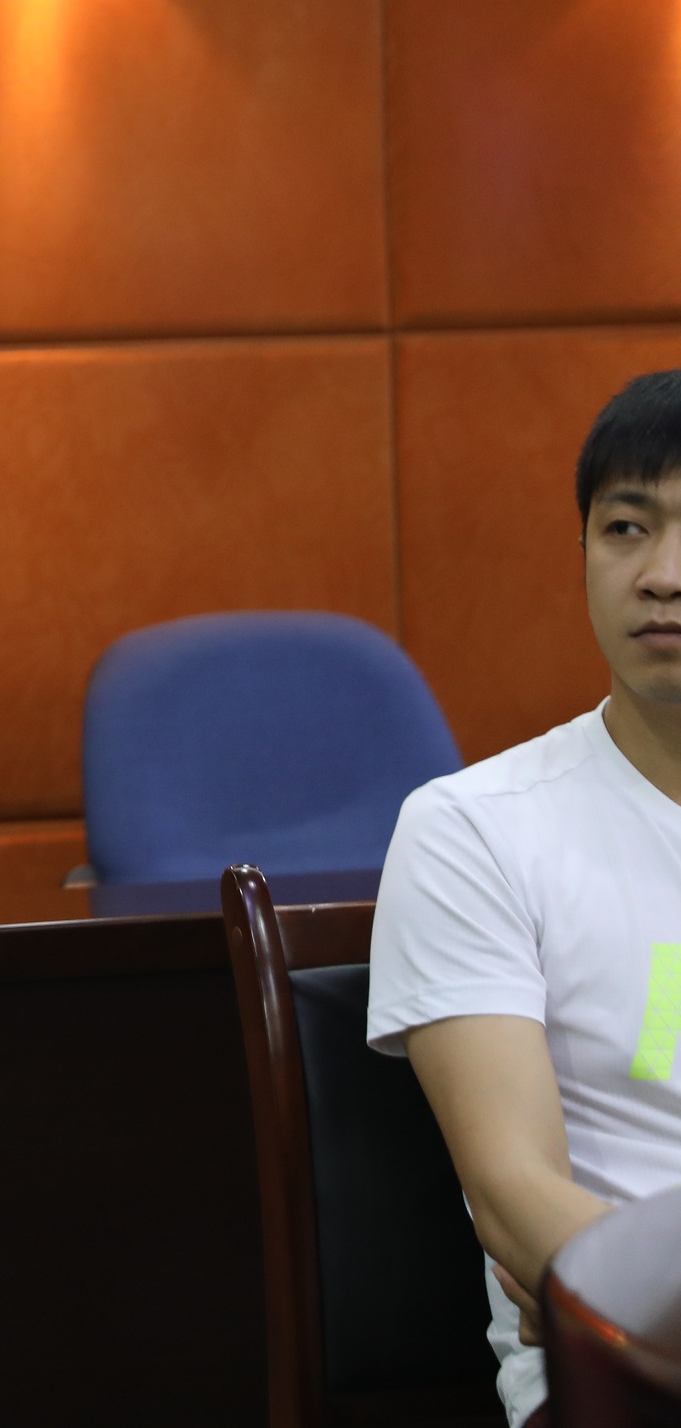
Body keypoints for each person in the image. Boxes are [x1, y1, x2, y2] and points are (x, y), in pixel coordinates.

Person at [370, 368, 681, 1428]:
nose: (662, 575)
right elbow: (514, 1196)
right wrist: (624, 1295)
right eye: (626, 528)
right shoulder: (474, 830)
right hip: (619, 1384)